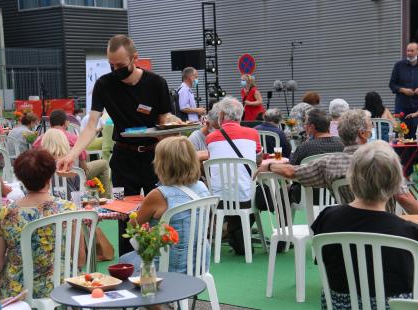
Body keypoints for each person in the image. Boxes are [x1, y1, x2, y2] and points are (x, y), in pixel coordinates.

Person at [57, 34, 178, 255]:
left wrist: (172, 124)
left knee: (159, 211)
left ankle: (158, 261)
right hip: (123, 159)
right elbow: (92, 124)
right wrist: (72, 154)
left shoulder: (156, 83)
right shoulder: (104, 84)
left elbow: (164, 120)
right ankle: (127, 263)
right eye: (111, 65)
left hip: (155, 158)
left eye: (120, 65)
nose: (116, 70)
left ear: (135, 58)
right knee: (123, 214)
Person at [311, 140, 418, 308]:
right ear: (395, 183)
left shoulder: (326, 218)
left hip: (340, 305)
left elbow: (325, 263)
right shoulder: (409, 232)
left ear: (352, 177)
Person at [256, 109, 418, 214]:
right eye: (371, 128)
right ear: (363, 134)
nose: (372, 131)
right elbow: (404, 199)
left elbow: (292, 171)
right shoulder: (385, 159)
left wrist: (269, 164)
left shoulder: (328, 163)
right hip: (385, 231)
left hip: (347, 232)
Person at [0, 149, 76, 299]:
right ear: (50, 175)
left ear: (20, 178)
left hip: (18, 294)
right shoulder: (68, 209)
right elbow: (79, 259)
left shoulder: (7, 213)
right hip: (62, 290)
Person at [120, 136, 210, 273]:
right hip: (199, 263)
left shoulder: (159, 195)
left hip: (168, 265)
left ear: (161, 164)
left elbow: (132, 227)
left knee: (124, 260)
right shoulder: (202, 188)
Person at [205, 96, 263, 255]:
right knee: (258, 193)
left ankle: (234, 233)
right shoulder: (253, 133)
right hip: (245, 197)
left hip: (219, 199)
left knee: (230, 187)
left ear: (221, 114)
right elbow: (259, 160)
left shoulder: (210, 137)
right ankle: (237, 233)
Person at [34, 109, 110, 198]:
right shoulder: (74, 138)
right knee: (103, 164)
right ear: (66, 123)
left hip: (48, 178)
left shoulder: (40, 139)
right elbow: (83, 165)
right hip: (75, 174)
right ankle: (105, 199)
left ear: (50, 124)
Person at [389, 42, 418, 139]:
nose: (409, 53)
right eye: (408, 50)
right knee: (401, 134)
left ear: (417, 51)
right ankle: (401, 154)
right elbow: (392, 84)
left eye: (412, 51)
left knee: (415, 134)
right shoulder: (399, 65)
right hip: (402, 106)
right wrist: (402, 90)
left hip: (416, 107)